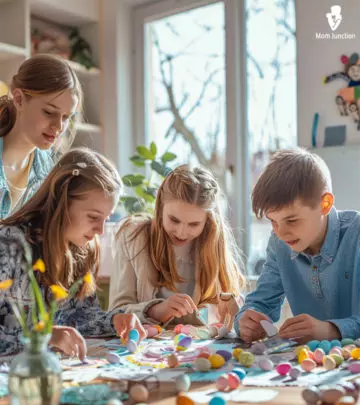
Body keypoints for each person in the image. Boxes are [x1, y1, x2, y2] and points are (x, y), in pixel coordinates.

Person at [0, 148, 146, 359]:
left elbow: (79, 317)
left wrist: (115, 320)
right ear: (61, 202)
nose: (100, 231)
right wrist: (44, 336)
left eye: (106, 218)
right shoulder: (9, 246)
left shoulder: (80, 249)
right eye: (93, 217)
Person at [235, 148, 360, 343]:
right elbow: (260, 302)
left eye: (291, 220)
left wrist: (329, 330)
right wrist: (245, 321)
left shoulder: (357, 234)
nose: (280, 233)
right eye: (272, 221)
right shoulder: (279, 243)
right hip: (312, 365)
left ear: (324, 204)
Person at [109, 164, 246, 328]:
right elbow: (116, 313)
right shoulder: (133, 237)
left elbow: (229, 307)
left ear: (207, 222)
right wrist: (156, 310)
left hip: (195, 348)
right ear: (160, 209)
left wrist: (222, 310)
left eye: (194, 224)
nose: (181, 232)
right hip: (145, 346)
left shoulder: (212, 243)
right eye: (174, 220)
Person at [0, 54, 82, 218]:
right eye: (49, 112)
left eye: (66, 117)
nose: (58, 126)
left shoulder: (49, 173)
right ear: (19, 100)